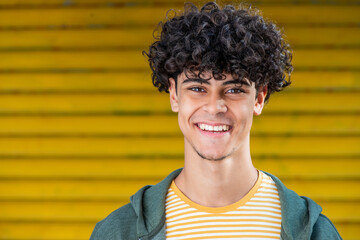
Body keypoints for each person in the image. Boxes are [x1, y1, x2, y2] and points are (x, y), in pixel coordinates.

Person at [90, 2, 341, 239]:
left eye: (234, 90)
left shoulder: (315, 232)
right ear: (174, 94)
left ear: (259, 98)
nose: (214, 107)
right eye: (198, 88)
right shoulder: (118, 231)